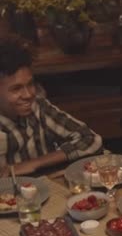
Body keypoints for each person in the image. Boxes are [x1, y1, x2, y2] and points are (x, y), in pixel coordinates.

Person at [0, 37, 103, 175]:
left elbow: (91, 139)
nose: (28, 94)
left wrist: (34, 163)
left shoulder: (38, 107)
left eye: (30, 84)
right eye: (16, 89)